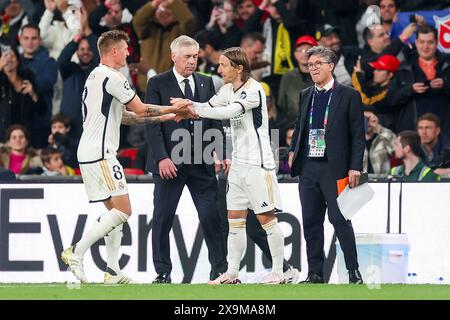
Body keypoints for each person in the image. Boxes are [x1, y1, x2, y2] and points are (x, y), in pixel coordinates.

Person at [60, 30, 179, 285]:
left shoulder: (95, 76)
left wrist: (166, 117)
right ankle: (76, 251)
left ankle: (112, 271)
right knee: (124, 210)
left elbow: (125, 117)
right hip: (101, 153)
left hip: (92, 151)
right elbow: (141, 108)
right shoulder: (112, 77)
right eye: (125, 49)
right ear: (113, 51)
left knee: (115, 212)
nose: (128, 53)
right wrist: (174, 108)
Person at [172, 46, 287, 284]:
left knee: (267, 219)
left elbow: (228, 112)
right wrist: (189, 105)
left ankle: (280, 271)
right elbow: (211, 106)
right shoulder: (226, 89)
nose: (218, 68)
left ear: (239, 68)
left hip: (258, 164)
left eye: (224, 65)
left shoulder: (254, 90)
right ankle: (232, 272)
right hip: (237, 166)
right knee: (235, 220)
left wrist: (193, 110)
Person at [144, 35, 228, 284]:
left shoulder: (205, 83)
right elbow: (151, 123)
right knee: (162, 218)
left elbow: (214, 119)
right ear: (174, 56)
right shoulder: (157, 83)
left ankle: (219, 270)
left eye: (195, 56)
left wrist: (218, 150)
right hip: (170, 163)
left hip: (201, 162)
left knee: (212, 217)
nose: (193, 61)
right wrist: (161, 158)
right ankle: (162, 273)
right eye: (188, 56)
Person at [289, 46, 364, 284]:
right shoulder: (305, 94)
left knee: (340, 219)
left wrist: (355, 167)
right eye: (310, 65)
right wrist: (293, 150)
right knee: (311, 222)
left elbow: (358, 135)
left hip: (336, 168)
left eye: (318, 64)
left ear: (331, 66)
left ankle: (353, 272)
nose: (313, 68)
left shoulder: (349, 95)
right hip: (309, 166)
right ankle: (315, 273)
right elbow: (301, 126)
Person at [278, 35, 316, 126]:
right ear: (295, 54)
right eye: (300, 50)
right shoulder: (287, 77)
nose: (304, 54)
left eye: (308, 50)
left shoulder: (325, 75)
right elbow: (281, 105)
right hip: (293, 126)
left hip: (318, 127)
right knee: (275, 133)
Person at [363, 109, 396, 174]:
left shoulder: (383, 137)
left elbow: (396, 148)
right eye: (364, 119)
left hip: (381, 181)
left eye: (369, 118)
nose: (367, 121)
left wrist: (377, 127)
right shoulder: (355, 141)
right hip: (362, 181)